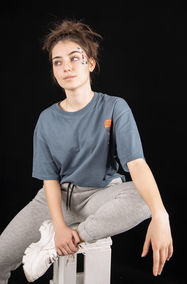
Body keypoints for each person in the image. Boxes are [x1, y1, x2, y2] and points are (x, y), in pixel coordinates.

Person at [0, 19, 173, 283]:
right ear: (54, 70)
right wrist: (58, 226)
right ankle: (55, 235)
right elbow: (49, 180)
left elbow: (137, 165)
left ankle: (68, 238)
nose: (66, 66)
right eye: (57, 62)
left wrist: (161, 215)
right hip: (53, 201)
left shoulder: (115, 107)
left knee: (146, 199)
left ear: (90, 63)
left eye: (74, 58)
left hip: (99, 196)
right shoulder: (47, 119)